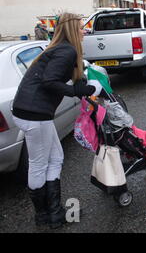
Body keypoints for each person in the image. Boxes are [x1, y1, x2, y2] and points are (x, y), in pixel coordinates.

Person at [12, 13, 96, 229]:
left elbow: (62, 75)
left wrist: (81, 83)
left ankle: (55, 212)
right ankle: (44, 216)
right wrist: (74, 91)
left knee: (56, 157)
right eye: (80, 28)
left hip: (30, 111)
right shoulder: (66, 50)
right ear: (71, 30)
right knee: (39, 164)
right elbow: (50, 80)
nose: (83, 31)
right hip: (34, 114)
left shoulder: (59, 49)